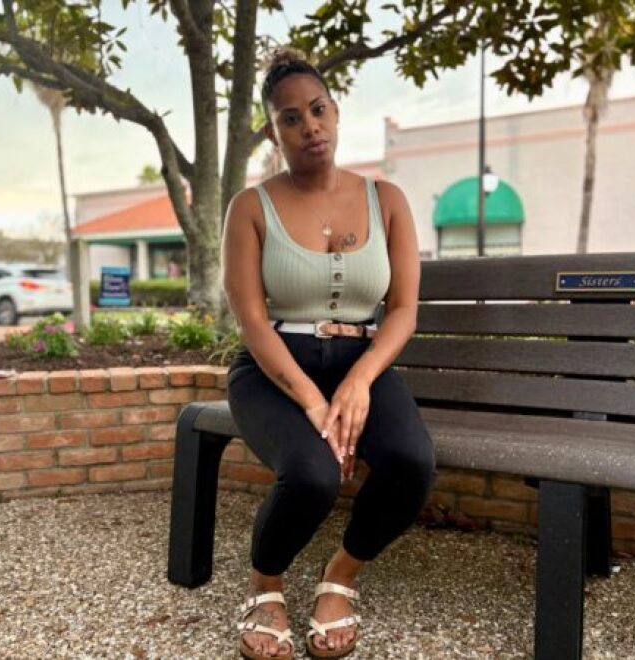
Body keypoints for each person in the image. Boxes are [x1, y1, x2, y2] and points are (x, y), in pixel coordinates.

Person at [222, 48, 436, 660]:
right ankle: (265, 584)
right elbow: (252, 321)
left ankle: (340, 575)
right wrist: (316, 404)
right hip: (274, 370)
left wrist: (360, 381)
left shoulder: (387, 199)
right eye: (290, 118)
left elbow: (402, 310)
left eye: (317, 110)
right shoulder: (250, 208)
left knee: (410, 464)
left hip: (362, 362)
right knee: (312, 475)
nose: (309, 126)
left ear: (336, 114)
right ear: (274, 131)